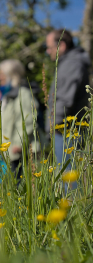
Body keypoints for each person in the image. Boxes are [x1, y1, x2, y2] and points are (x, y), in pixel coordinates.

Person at [45, 29, 91, 164]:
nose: (48, 51)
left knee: (69, 180)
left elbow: (65, 99)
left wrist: (53, 125)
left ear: (62, 46)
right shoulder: (68, 63)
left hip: (66, 130)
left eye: (49, 47)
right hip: (66, 128)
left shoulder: (71, 64)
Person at [0, 59, 39, 180]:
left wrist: (20, 143)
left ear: (11, 75)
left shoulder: (23, 93)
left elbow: (29, 120)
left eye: (1, 74)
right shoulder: (7, 96)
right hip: (10, 151)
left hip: (21, 150)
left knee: (20, 185)